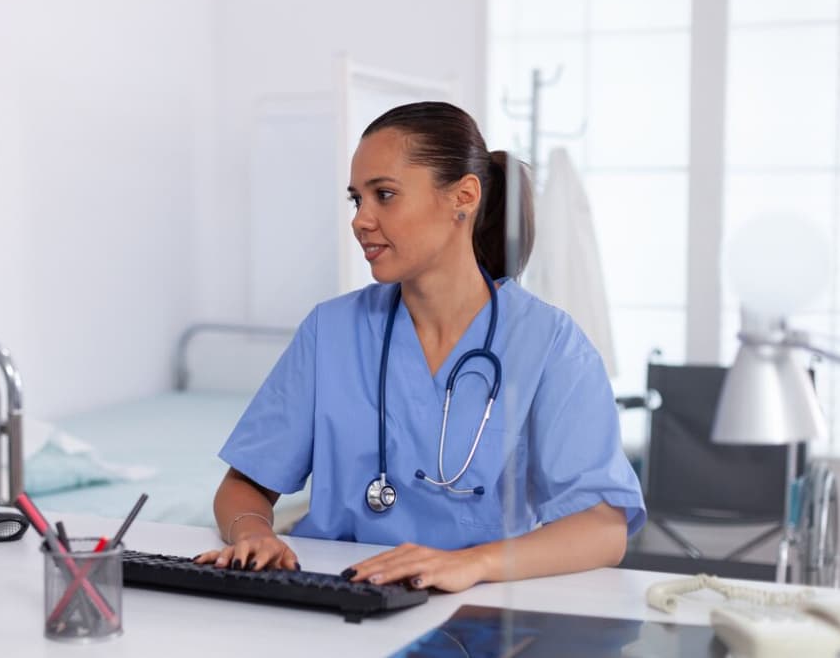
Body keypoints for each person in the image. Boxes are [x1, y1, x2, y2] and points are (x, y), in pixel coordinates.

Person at [195, 101, 645, 593]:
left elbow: (603, 527)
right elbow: (245, 484)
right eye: (356, 200)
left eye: (384, 195)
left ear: (463, 197)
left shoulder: (550, 344)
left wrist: (474, 564)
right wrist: (255, 533)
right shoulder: (332, 331)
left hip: (478, 607)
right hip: (334, 595)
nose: (360, 220)